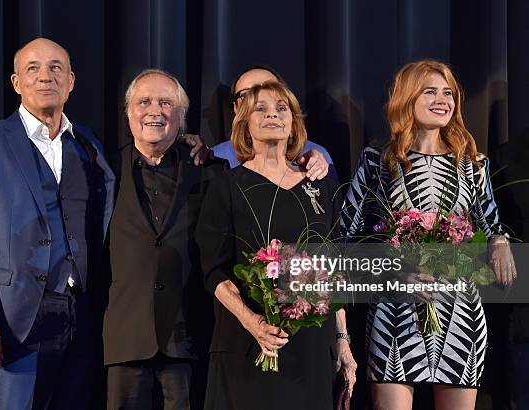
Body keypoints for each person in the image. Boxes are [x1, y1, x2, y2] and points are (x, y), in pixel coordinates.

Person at [0, 38, 116, 409]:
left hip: (81, 315)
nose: (45, 76)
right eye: (33, 69)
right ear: (16, 82)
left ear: (71, 81)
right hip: (14, 322)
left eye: (56, 68)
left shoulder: (89, 145)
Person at [339, 60, 517, 410]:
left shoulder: (470, 161)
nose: (442, 99)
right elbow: (348, 235)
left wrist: (499, 241)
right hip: (396, 311)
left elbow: (491, 220)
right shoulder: (379, 159)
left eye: (448, 92)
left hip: (459, 311)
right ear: (407, 98)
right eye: (430, 91)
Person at [196, 80, 356, 410]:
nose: (273, 115)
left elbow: (335, 270)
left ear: (294, 122)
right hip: (249, 344)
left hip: (312, 349)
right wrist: (253, 322)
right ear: (244, 123)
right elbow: (213, 269)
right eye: (261, 109)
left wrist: (342, 340)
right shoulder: (226, 184)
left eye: (282, 109)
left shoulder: (320, 184)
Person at [103, 69, 227, 410]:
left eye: (165, 103)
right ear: (129, 113)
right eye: (144, 101)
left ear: (182, 116)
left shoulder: (210, 171)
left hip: (188, 338)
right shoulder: (102, 170)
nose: (154, 110)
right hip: (125, 339)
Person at [212, 65, 337, 182]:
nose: (261, 96)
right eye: (248, 94)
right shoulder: (215, 157)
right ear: (235, 107)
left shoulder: (316, 156)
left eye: (271, 89)